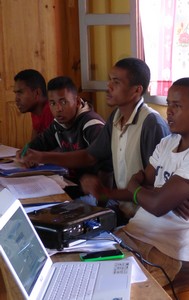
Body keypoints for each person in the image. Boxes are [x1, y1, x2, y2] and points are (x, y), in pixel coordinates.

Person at [80, 77, 189, 286]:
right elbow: (146, 187)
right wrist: (108, 193)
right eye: (168, 104)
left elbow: (156, 205)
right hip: (132, 234)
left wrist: (143, 189)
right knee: (78, 271)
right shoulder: (169, 142)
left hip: (161, 251)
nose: (169, 111)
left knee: (108, 289)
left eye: (177, 106)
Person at [18, 58, 170, 222]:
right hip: (123, 209)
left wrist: (103, 193)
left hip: (146, 218)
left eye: (116, 82)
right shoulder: (116, 117)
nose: (108, 87)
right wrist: (39, 155)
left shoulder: (151, 124)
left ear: (136, 90)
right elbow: (90, 155)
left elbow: (158, 186)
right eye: (109, 80)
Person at [16, 76, 113, 198]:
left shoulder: (92, 125)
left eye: (63, 102)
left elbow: (103, 161)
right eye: (52, 103)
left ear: (77, 102)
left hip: (95, 193)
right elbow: (40, 142)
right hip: (72, 184)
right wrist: (25, 152)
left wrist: (102, 196)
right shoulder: (57, 124)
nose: (58, 109)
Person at [13, 69, 53, 139]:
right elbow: (34, 142)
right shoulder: (35, 109)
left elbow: (63, 148)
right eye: (16, 93)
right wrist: (27, 149)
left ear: (37, 93)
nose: (16, 99)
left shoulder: (53, 110)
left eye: (20, 92)